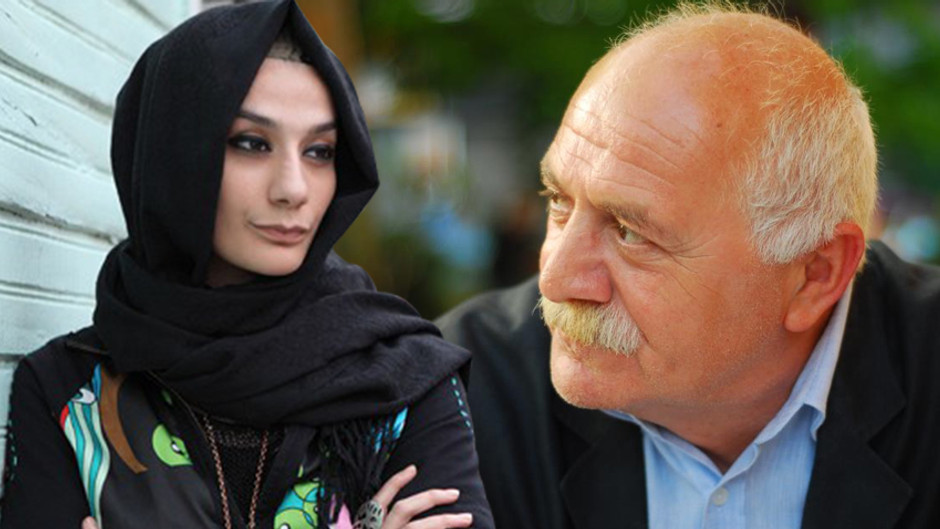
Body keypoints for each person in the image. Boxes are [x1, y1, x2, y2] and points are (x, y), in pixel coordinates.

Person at [437, 2, 940, 528]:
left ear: (816, 274)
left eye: (630, 232)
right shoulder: (461, 394)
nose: (556, 278)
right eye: (559, 202)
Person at [1, 2, 493, 528]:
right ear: (174, 155)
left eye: (320, 151)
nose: (293, 189)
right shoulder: (68, 390)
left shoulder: (403, 378)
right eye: (252, 144)